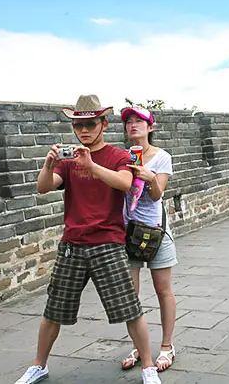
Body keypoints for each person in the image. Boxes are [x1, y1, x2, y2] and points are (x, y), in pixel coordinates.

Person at [14, 95, 162, 384]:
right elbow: (44, 188)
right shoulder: (68, 161)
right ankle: (38, 365)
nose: (84, 130)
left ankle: (148, 367)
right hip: (73, 243)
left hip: (108, 242)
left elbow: (125, 183)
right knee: (53, 309)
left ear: (103, 124)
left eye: (90, 123)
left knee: (130, 308)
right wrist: (48, 164)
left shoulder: (118, 156)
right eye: (78, 124)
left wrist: (92, 165)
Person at [120, 107, 178, 373]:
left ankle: (167, 346)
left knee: (163, 291)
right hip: (128, 232)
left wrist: (149, 176)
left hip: (155, 232)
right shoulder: (121, 158)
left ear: (150, 127)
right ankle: (139, 347)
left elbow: (157, 195)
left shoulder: (161, 157)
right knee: (130, 295)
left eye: (139, 121)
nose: (133, 126)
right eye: (129, 122)